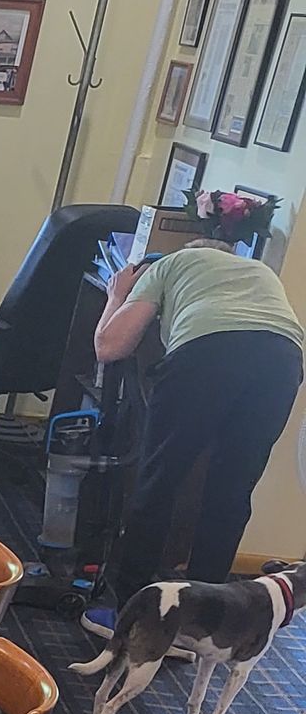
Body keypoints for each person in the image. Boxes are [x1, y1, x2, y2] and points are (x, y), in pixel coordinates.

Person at [90, 239, 304, 631]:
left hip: (208, 352)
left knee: (160, 478)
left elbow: (110, 346)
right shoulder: (259, 272)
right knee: (232, 491)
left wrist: (117, 294)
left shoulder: (168, 265)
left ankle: (131, 612)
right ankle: (206, 621)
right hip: (283, 360)